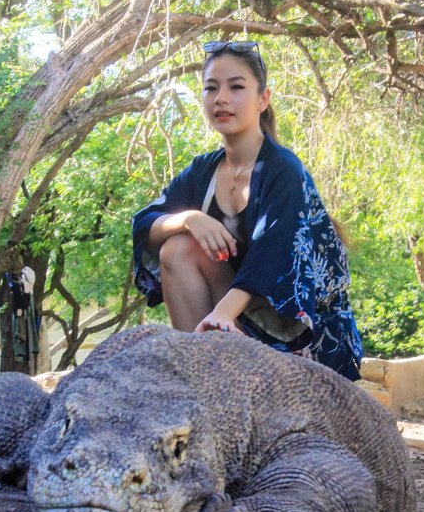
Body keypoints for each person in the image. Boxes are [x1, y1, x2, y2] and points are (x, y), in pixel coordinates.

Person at [131, 40, 362, 380]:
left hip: (297, 333)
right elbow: (144, 224)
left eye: (236, 87)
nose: (221, 98)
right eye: (211, 88)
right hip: (231, 325)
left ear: (263, 99)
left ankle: (212, 365)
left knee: (188, 247)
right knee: (177, 246)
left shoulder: (283, 170)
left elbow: (274, 262)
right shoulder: (202, 171)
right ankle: (199, 377)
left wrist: (222, 315)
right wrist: (190, 219)